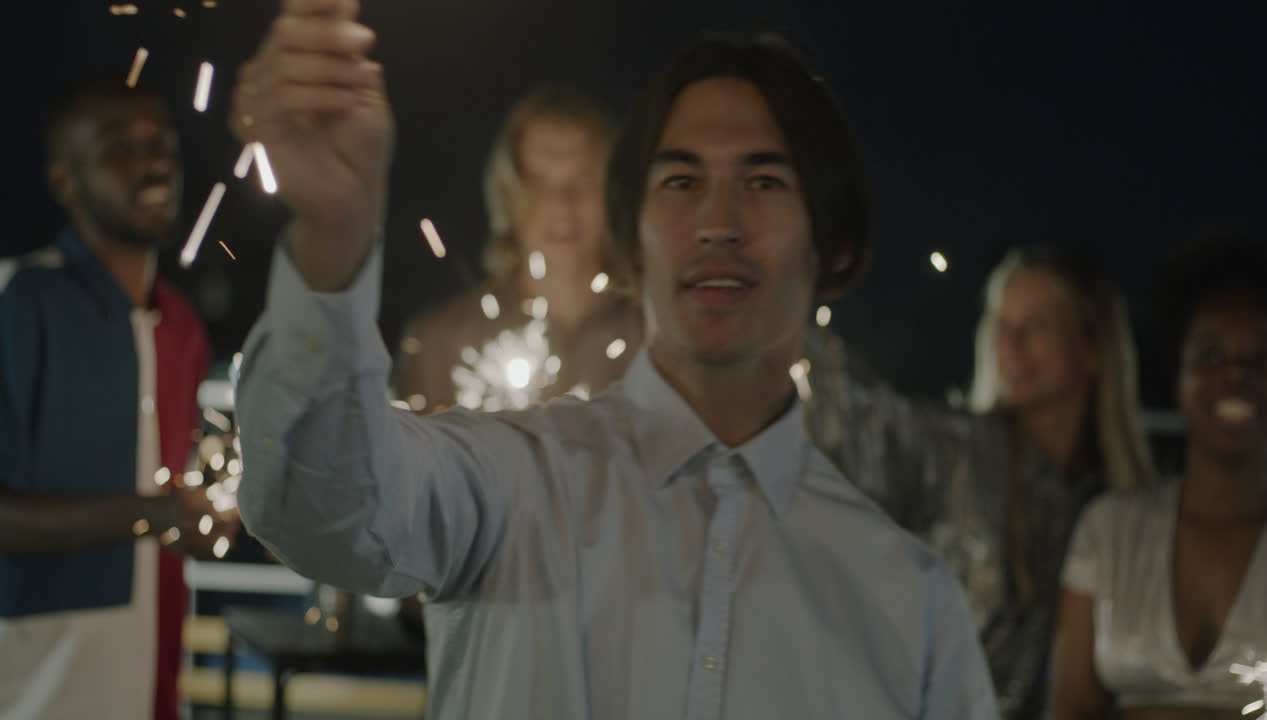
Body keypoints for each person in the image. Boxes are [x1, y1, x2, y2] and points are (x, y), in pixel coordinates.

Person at [229, 1, 998, 717]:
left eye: (763, 180)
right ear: (631, 238)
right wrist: (333, 239)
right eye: (682, 180)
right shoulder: (509, 487)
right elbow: (320, 507)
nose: (717, 222)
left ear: (836, 246)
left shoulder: (910, 602)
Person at [807, 246, 1155, 719]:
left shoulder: (1124, 507)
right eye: (1000, 324)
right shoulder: (959, 452)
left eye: (1035, 326)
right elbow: (862, 427)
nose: (1010, 346)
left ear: (1093, 348)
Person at [0, 79, 239, 719]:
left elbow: (170, 500)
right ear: (65, 181)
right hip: (33, 690)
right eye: (118, 148)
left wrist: (201, 519)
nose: (155, 161)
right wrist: (156, 514)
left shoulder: (183, 326)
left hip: (154, 687)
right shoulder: (22, 303)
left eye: (160, 143)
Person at [1049, 233, 1267, 720]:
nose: (1236, 375)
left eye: (1264, 358)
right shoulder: (1110, 530)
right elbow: (1070, 707)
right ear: (1177, 379)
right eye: (1211, 355)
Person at [395, 86, 643, 413]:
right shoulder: (441, 342)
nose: (561, 204)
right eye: (538, 183)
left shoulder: (658, 339)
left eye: (583, 180)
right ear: (507, 193)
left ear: (613, 192)